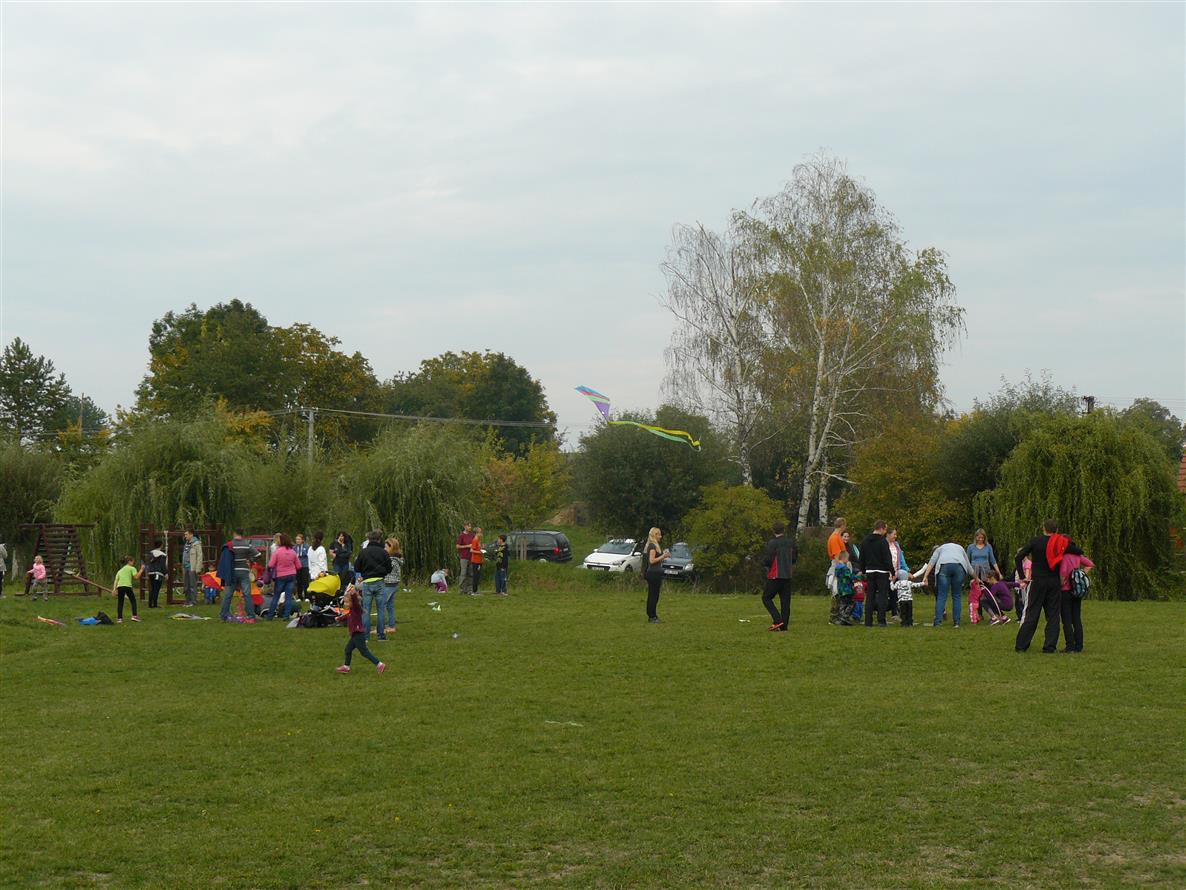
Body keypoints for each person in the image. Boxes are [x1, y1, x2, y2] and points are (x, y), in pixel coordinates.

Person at [1013, 520, 1083, 653]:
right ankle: (1050, 646)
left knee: (1032, 613)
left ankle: (1021, 645)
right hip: (1053, 581)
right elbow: (1079, 551)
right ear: (1056, 530)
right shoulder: (1060, 542)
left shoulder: (1035, 541)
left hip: (1038, 581)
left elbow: (1019, 557)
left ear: (1043, 528)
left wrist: (1022, 576)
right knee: (1053, 614)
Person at [920, 542, 974, 628]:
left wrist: (925, 576)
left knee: (941, 596)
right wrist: (976, 578)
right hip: (959, 567)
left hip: (944, 566)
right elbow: (968, 566)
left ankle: (937, 622)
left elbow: (931, 562)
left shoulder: (939, 549)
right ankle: (956, 623)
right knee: (957, 596)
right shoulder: (960, 548)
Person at [336, 583, 385, 675]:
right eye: (345, 602)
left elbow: (355, 602)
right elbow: (347, 616)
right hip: (355, 635)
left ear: (352, 602)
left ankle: (379, 664)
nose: (345, 604)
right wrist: (340, 618)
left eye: (347, 602)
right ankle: (346, 667)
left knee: (364, 652)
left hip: (358, 634)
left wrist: (353, 594)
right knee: (348, 650)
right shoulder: (351, 611)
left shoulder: (356, 609)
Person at [760, 521, 798, 631]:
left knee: (766, 598)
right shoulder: (791, 543)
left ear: (773, 531)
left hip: (775, 575)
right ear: (783, 530)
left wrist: (763, 564)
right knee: (785, 602)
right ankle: (784, 626)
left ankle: (777, 619)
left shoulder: (772, 543)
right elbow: (794, 558)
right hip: (787, 574)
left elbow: (768, 559)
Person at [354, 530, 391, 639]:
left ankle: (366, 636)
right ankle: (381, 635)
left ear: (368, 539)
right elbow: (389, 568)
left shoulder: (363, 552)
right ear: (379, 539)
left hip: (367, 582)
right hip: (379, 581)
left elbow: (357, 568)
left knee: (366, 610)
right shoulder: (383, 552)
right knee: (380, 610)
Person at [858, 521, 894, 627]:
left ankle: (868, 621)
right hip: (882, 572)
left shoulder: (865, 540)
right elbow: (887, 558)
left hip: (870, 571)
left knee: (870, 596)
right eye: (885, 529)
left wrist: (863, 570)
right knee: (882, 596)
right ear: (881, 528)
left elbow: (861, 557)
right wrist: (892, 571)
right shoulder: (882, 541)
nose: (885, 532)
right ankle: (881, 620)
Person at [1058, 550, 1095, 653]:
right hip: (1076, 590)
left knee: (1066, 620)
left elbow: (1063, 572)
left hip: (1065, 591)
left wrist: (1061, 582)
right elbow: (1090, 564)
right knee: (1076, 619)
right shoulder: (1077, 556)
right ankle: (1079, 645)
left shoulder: (1064, 557)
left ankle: (1070, 646)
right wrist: (1081, 574)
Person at [220, 530, 258, 623]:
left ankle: (224, 616)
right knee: (247, 594)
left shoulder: (229, 545)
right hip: (244, 571)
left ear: (234, 534)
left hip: (232, 572)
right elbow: (258, 554)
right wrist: (250, 560)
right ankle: (251, 616)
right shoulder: (247, 545)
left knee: (228, 595)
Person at [267, 534, 302, 621]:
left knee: (276, 596)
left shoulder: (277, 552)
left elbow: (270, 564)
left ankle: (270, 615)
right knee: (288, 596)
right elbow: (299, 566)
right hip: (291, 575)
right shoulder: (293, 552)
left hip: (280, 576)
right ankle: (286, 616)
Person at [643, 527, 670, 624]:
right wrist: (663, 556)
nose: (660, 536)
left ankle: (653, 615)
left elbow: (656, 560)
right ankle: (652, 616)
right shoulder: (652, 546)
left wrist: (663, 557)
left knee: (655, 595)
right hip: (653, 574)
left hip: (656, 573)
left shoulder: (655, 546)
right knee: (653, 596)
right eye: (659, 534)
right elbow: (652, 560)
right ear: (655, 535)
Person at [382, 538, 403, 636]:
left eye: (386, 547)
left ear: (391, 548)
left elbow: (385, 571)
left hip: (389, 584)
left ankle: (381, 628)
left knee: (381, 605)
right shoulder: (397, 559)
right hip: (393, 584)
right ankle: (391, 626)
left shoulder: (391, 560)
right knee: (389, 606)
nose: (384, 549)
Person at [112, 556, 142, 623]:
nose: (133, 563)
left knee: (120, 602)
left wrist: (114, 589)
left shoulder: (120, 571)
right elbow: (136, 577)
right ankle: (134, 616)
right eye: (133, 562)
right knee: (133, 600)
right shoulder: (132, 568)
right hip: (127, 586)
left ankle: (119, 619)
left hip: (120, 587)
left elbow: (116, 580)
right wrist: (141, 570)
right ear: (129, 561)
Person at [834, 550, 857, 625]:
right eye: (847, 558)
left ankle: (841, 618)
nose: (848, 560)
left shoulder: (837, 568)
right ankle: (845, 616)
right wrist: (859, 576)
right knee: (851, 603)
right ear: (844, 558)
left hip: (840, 588)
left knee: (842, 603)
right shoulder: (845, 568)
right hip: (847, 589)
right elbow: (850, 577)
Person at [182, 529, 203, 608]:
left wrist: (197, 568)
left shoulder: (196, 544)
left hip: (192, 567)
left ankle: (193, 601)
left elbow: (200, 556)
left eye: (186, 534)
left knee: (192, 585)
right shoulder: (186, 543)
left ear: (191, 535)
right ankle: (187, 601)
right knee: (186, 585)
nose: (185, 536)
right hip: (185, 567)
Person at [144, 539, 167, 608]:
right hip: (158, 573)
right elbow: (163, 565)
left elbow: (148, 563)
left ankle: (150, 604)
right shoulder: (162, 555)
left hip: (150, 573)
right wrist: (166, 573)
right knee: (156, 589)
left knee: (152, 588)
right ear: (161, 545)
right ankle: (155, 604)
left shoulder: (150, 553)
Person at [455, 522, 474, 594]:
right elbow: (457, 546)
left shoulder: (472, 535)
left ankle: (469, 590)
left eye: (470, 526)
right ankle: (462, 590)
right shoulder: (461, 536)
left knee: (470, 574)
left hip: (471, 556)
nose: (470, 527)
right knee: (463, 573)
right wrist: (467, 546)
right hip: (464, 557)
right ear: (465, 526)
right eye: (469, 526)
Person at [294, 533, 311, 604]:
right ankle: (300, 596)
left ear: (302, 540)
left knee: (305, 581)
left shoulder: (307, 546)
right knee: (299, 581)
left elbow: (309, 555)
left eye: (299, 539)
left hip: (305, 566)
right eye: (296, 539)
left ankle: (307, 596)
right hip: (297, 566)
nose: (297, 541)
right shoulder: (294, 547)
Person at [469, 527, 484, 595]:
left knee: (477, 576)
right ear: (477, 533)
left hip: (479, 560)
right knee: (475, 576)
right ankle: (474, 591)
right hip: (475, 561)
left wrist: (481, 548)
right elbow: (471, 550)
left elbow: (477, 548)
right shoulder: (475, 540)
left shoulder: (478, 540)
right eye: (480, 532)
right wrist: (480, 552)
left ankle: (476, 590)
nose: (481, 533)